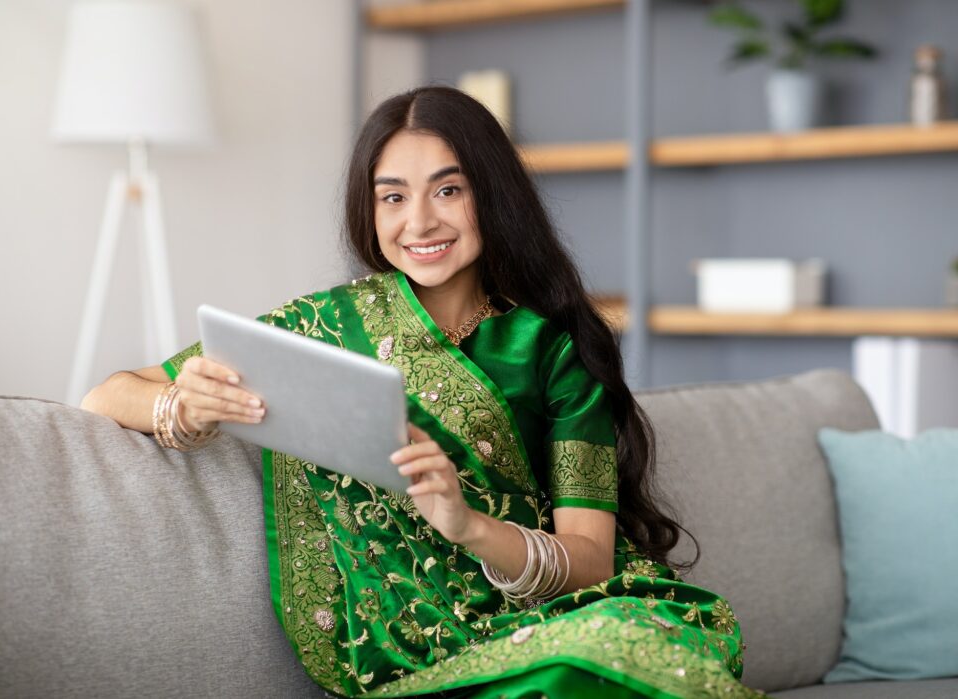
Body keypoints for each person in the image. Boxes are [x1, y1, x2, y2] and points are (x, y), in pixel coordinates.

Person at [83, 86, 760, 698]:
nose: (419, 222)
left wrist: (468, 525)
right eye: (393, 196)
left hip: (555, 620)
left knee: (639, 641)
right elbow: (109, 393)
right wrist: (185, 408)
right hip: (410, 648)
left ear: (490, 195)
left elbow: (589, 559)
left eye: (447, 190)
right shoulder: (319, 329)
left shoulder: (555, 348)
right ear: (369, 209)